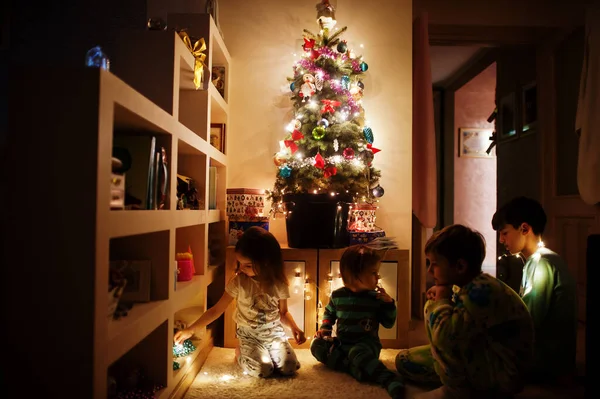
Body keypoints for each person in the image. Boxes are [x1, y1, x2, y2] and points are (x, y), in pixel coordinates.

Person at [395, 224, 534, 398]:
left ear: (460, 266)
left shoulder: (482, 291)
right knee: (404, 360)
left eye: (435, 264)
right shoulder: (475, 285)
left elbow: (447, 337)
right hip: (485, 355)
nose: (430, 271)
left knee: (433, 310)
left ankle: (455, 390)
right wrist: (447, 297)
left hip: (503, 373)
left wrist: (440, 301)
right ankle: (458, 379)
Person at [173, 226, 306, 378]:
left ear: (267, 262)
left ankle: (268, 353)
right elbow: (216, 310)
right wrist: (190, 330)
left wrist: (295, 328)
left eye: (248, 265)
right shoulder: (239, 283)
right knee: (264, 369)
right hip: (250, 336)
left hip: (274, 335)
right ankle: (240, 353)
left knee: (289, 367)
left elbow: (283, 313)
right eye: (240, 263)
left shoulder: (279, 284)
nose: (241, 269)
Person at [492, 196, 578, 384]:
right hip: (552, 361)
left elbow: (528, 320)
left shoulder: (540, 264)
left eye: (504, 233)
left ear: (524, 229)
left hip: (547, 364)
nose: (501, 240)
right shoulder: (546, 258)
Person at [310, 245, 405, 399]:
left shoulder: (375, 299)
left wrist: (389, 304)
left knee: (357, 353)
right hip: (342, 344)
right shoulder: (337, 295)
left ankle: (387, 378)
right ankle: (352, 367)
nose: (378, 277)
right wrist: (325, 329)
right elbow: (329, 312)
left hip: (366, 346)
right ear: (354, 275)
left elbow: (388, 323)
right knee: (316, 345)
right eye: (373, 273)